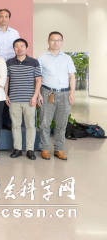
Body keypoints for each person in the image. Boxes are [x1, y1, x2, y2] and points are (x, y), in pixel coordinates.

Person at [38, 31, 76, 161]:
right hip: (47, 92)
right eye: (53, 40)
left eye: (58, 40)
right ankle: (44, 149)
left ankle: (59, 149)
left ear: (62, 42)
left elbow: (72, 76)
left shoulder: (67, 58)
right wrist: (38, 94)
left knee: (62, 124)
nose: (55, 42)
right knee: (44, 123)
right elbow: (38, 78)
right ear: (48, 41)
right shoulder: (42, 57)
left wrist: (72, 93)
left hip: (65, 94)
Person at [5, 38, 41, 160]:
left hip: (29, 100)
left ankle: (30, 150)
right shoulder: (9, 62)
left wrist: (35, 97)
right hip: (14, 99)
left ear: (26, 48)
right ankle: (18, 149)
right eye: (16, 46)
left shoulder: (34, 62)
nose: (19, 48)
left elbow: (38, 81)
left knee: (30, 125)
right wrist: (6, 95)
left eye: (22, 46)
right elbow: (7, 80)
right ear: (14, 49)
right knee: (15, 125)